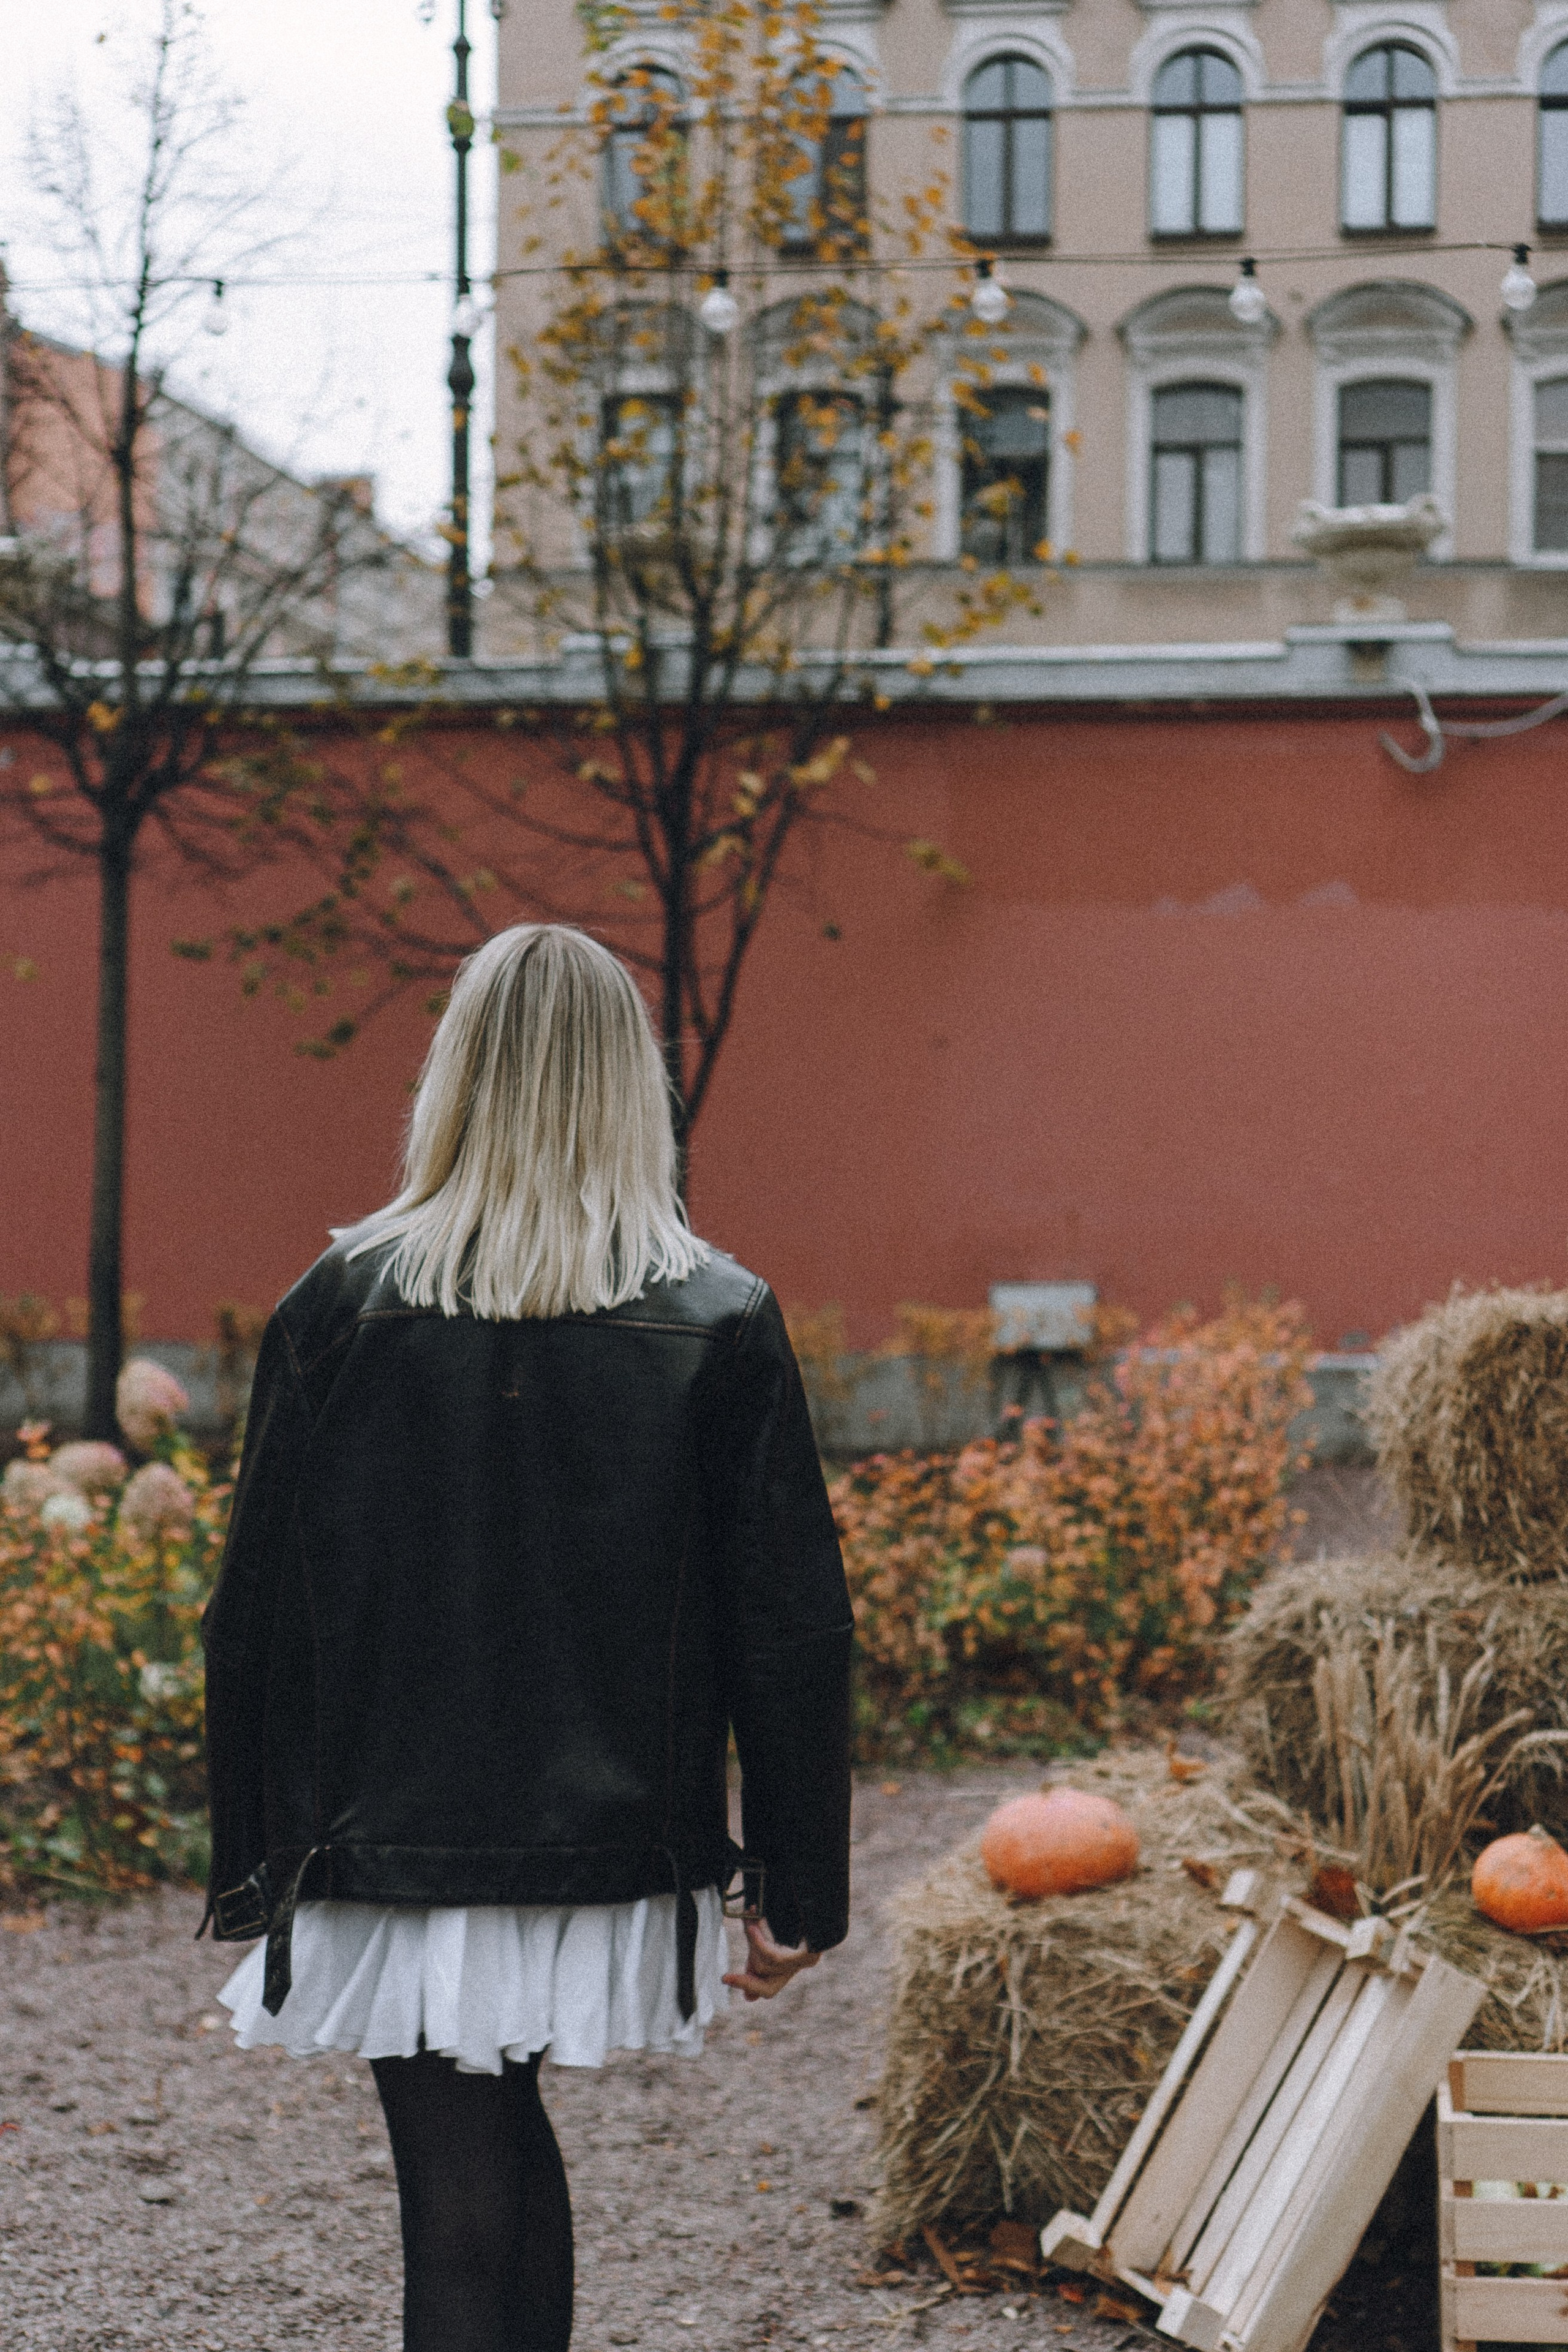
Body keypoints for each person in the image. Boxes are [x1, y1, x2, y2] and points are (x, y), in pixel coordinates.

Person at [200, 922, 853, 2352]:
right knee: (500, 2148)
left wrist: (249, 1861)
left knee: (457, 2190)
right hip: (606, 1826)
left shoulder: (337, 1306)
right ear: (633, 1086)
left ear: (455, 1077)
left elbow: (250, 1612)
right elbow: (791, 1626)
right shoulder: (719, 1317)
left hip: (386, 1834)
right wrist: (797, 1883)